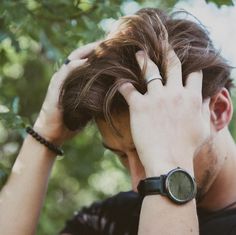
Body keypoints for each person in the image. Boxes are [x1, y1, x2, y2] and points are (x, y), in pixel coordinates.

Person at [0, 7, 235, 235]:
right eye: (122, 155)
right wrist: (46, 134)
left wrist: (167, 167)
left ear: (219, 110)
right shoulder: (115, 220)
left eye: (148, 151)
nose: (137, 184)